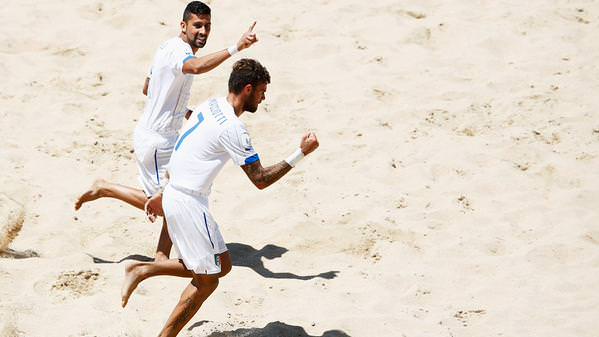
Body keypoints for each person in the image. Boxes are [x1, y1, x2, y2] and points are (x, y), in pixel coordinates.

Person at [120, 58, 319, 337]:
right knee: (208, 281)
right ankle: (145, 278)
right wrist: (300, 153)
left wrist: (164, 192)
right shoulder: (234, 129)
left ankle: (148, 270)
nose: (264, 98)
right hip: (189, 203)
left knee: (222, 265)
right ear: (248, 89)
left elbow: (187, 144)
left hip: (180, 193)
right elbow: (260, 180)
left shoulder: (211, 105)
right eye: (262, 91)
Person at [74, 1, 258, 261]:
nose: (203, 31)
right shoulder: (179, 52)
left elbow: (148, 88)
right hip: (159, 141)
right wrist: (236, 47)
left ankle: (161, 256)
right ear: (183, 26)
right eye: (197, 26)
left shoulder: (165, 47)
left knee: (176, 193)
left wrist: (182, 111)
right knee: (170, 202)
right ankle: (105, 189)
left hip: (160, 135)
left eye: (207, 26)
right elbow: (194, 67)